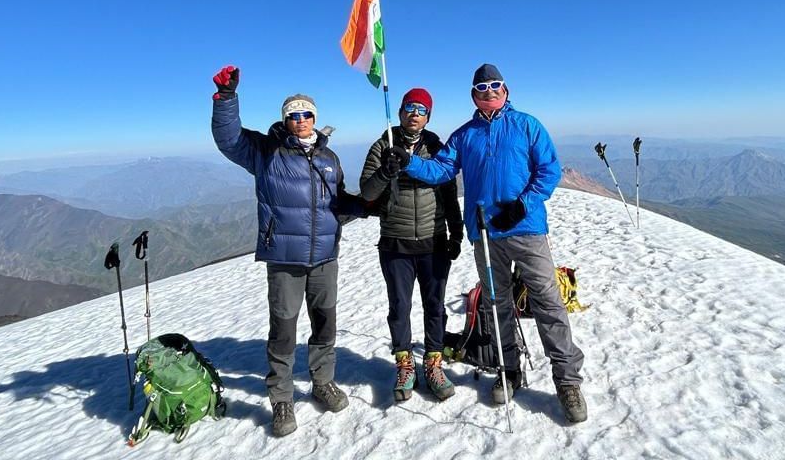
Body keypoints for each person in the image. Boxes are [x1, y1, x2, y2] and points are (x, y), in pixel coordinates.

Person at [384, 63, 587, 423]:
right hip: (485, 234)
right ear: (474, 95)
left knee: (548, 302)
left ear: (506, 91)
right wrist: (408, 163)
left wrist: (524, 204)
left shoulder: (526, 124)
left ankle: (567, 381)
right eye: (482, 87)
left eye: (496, 86)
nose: (490, 91)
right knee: (496, 305)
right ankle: (509, 370)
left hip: (526, 230)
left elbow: (549, 170)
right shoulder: (465, 135)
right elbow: (442, 169)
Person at [210, 64, 364, 438]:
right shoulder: (266, 152)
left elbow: (337, 203)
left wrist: (367, 205)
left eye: (306, 114)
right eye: (292, 115)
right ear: (285, 120)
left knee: (325, 324)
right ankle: (281, 399)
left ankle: (322, 381)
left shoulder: (330, 158)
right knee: (283, 330)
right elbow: (229, 140)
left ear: (315, 118)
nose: (300, 120)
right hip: (284, 259)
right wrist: (226, 99)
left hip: (326, 257)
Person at [359, 88, 463, 402]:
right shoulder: (383, 145)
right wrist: (384, 171)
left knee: (435, 306)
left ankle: (433, 363)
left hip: (434, 242)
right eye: (409, 107)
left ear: (428, 116)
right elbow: (367, 192)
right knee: (400, 308)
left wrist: (455, 233)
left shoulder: (436, 147)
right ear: (401, 111)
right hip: (395, 243)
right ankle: (405, 365)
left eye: (421, 109)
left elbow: (449, 194)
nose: (414, 113)